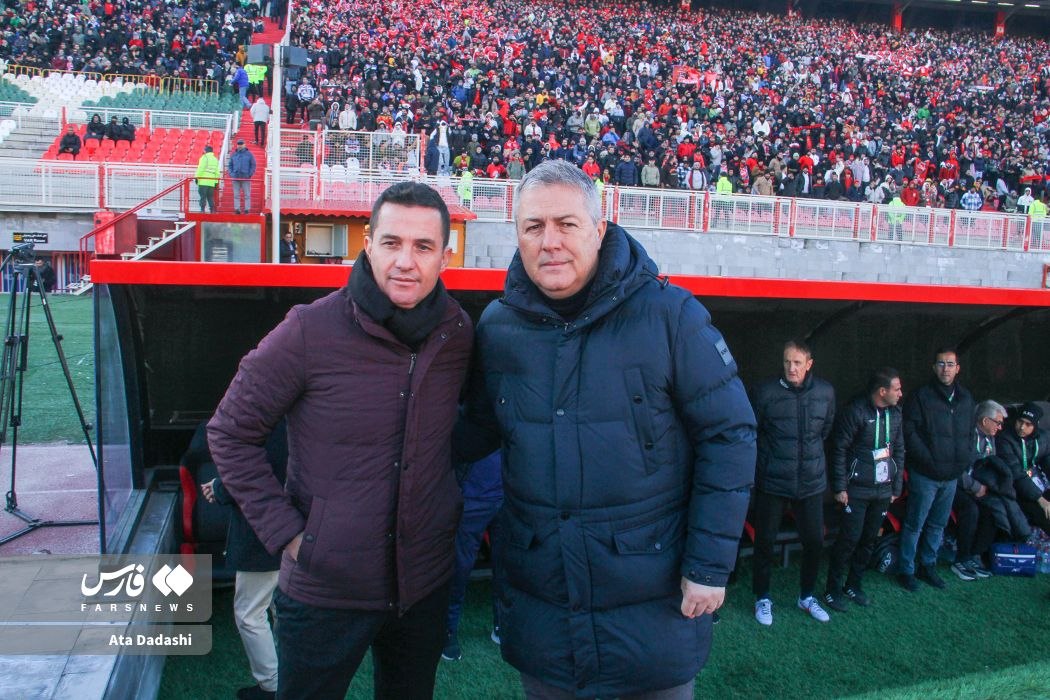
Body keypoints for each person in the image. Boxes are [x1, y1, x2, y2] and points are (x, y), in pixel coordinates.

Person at [457, 160, 756, 699]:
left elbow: (729, 435)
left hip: (652, 617)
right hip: (545, 617)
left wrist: (710, 566)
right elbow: (471, 431)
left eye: (566, 224)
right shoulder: (498, 327)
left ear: (599, 229)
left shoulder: (671, 315)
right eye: (533, 226)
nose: (550, 242)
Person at [207, 181, 473, 700]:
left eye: (423, 247)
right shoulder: (310, 329)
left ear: (445, 256)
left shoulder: (456, 331)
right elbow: (230, 432)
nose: (405, 261)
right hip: (325, 588)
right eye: (392, 242)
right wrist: (288, 533)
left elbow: (466, 427)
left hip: (423, 584)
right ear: (368, 245)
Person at [194, 421, 287, 700]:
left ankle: (272, 687)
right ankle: (288, 677)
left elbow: (258, 475)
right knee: (280, 606)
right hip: (285, 528)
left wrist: (220, 489)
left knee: (249, 613)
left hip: (264, 532)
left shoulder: (271, 420)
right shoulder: (293, 413)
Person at [750, 340, 836, 626]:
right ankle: (762, 597)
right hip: (772, 481)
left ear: (809, 364)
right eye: (787, 361)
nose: (791, 367)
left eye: (797, 362)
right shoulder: (765, 391)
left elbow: (825, 430)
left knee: (814, 541)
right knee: (765, 541)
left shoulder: (825, 392)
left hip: (810, 482)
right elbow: (754, 431)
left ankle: (807, 596)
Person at [824, 368, 904, 612]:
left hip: (883, 489)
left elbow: (899, 450)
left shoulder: (896, 414)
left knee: (869, 540)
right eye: (897, 389)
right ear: (882, 391)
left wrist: (896, 485)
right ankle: (832, 590)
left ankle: (854, 585)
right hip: (857, 490)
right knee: (848, 540)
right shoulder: (855, 412)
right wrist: (840, 486)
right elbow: (838, 449)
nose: (901, 393)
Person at [898, 348, 976, 592]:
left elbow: (971, 433)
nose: (945, 368)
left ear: (958, 368)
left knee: (938, 524)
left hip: (951, 476)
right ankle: (906, 569)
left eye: (950, 364)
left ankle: (928, 565)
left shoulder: (965, 398)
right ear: (934, 367)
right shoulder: (921, 396)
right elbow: (909, 431)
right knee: (915, 524)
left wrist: (964, 459)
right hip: (925, 474)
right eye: (941, 363)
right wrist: (927, 460)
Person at [441, 451, 503, 662]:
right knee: (459, 568)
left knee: (507, 567)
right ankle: (448, 630)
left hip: (509, 495)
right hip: (472, 496)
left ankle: (502, 624)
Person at [950, 400, 1010, 581]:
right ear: (985, 421)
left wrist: (989, 487)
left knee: (993, 509)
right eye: (998, 423)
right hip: (955, 485)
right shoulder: (965, 435)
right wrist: (975, 487)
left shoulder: (990, 438)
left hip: (980, 486)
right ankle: (961, 559)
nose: (1000, 427)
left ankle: (975, 555)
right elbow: (955, 468)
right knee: (971, 509)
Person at [999, 402, 1050, 533]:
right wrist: (1040, 499)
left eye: (1028, 424)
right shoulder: (1005, 439)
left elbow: (1047, 461)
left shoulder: (1043, 438)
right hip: (1018, 489)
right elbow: (1016, 474)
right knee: (1044, 515)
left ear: (1036, 425)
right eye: (1020, 421)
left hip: (1039, 483)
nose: (1022, 427)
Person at [229, 139, 257, 214]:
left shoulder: (249, 154)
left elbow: (253, 165)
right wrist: (232, 174)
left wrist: (249, 174)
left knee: (247, 195)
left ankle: (247, 209)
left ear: (244, 145)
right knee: (236, 195)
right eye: (239, 144)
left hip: (245, 177)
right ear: (237, 145)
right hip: (236, 177)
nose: (240, 145)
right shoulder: (234, 154)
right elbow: (230, 165)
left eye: (241, 144)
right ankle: (237, 209)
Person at [195, 145, 220, 213]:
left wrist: (197, 177)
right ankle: (212, 210)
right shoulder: (215, 159)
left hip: (203, 181)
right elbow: (217, 172)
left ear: (205, 151)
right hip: (211, 182)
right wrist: (216, 181)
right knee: (210, 197)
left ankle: (202, 210)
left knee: (203, 196)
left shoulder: (204, 157)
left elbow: (200, 169)